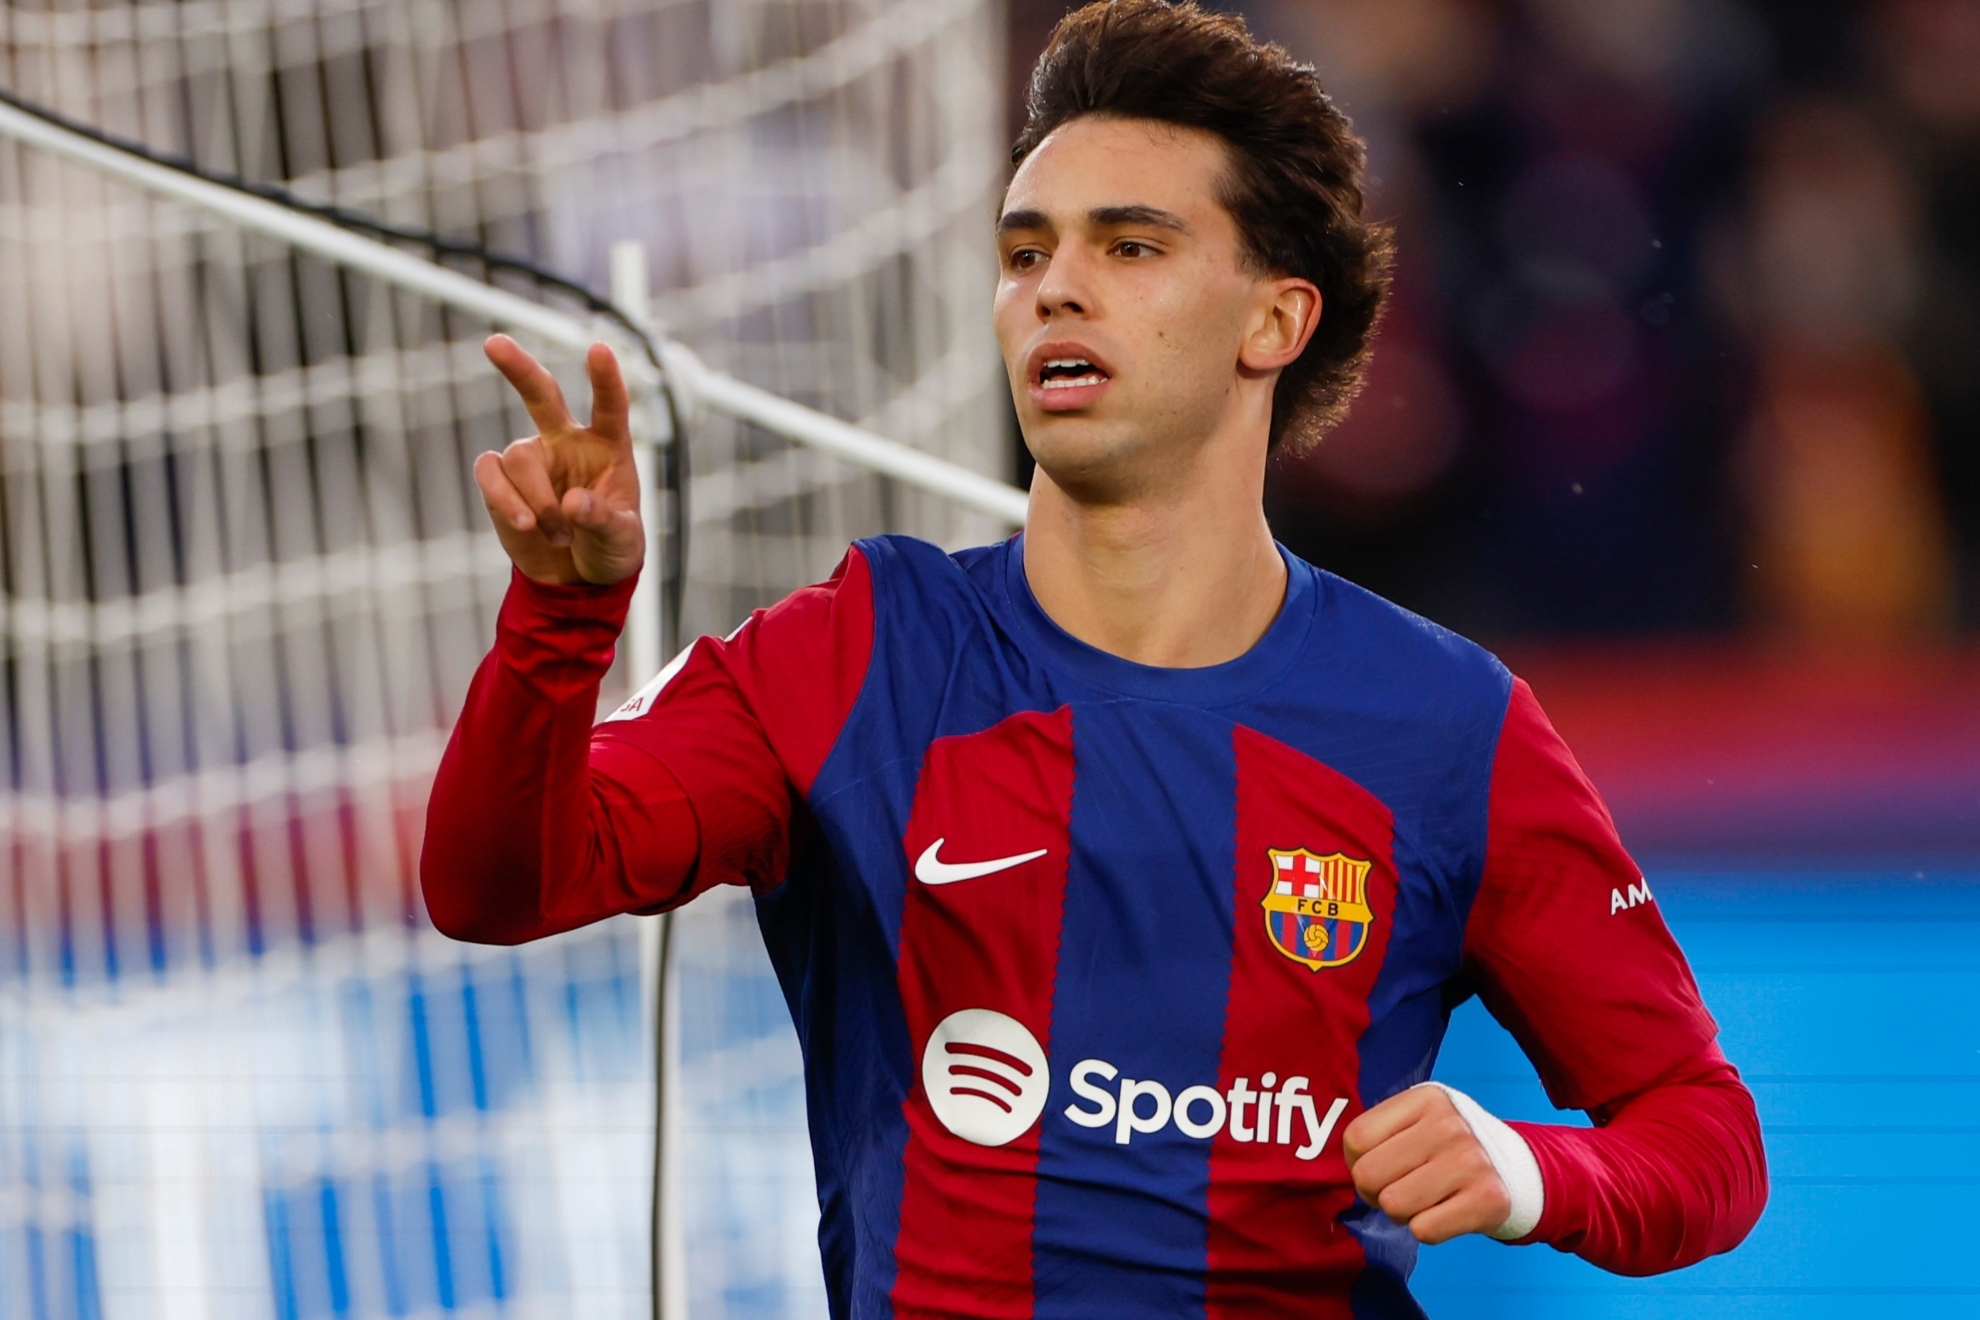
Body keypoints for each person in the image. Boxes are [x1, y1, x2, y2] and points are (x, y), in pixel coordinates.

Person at [422, 2, 1768, 1314]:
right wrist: (560, 619)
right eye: (1024, 252)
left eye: (1131, 247)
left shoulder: (1447, 724)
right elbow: (498, 885)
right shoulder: (858, 650)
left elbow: (1704, 1138)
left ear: (1275, 323)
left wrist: (1537, 1168)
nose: (1054, 283)